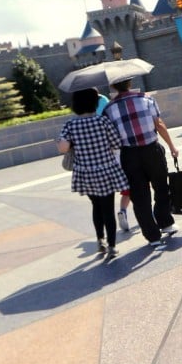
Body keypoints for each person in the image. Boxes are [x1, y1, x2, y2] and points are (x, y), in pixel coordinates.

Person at [103, 78, 180, 249]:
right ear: (130, 83)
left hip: (129, 155)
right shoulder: (146, 99)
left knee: (139, 196)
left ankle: (152, 235)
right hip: (152, 149)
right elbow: (159, 124)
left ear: (113, 87)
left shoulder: (108, 109)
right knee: (161, 187)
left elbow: (110, 138)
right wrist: (171, 146)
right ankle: (166, 222)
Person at [57, 88, 129, 259]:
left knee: (96, 206)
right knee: (108, 208)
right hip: (106, 170)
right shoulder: (102, 121)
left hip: (85, 173)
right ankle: (112, 246)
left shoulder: (70, 124)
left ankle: (100, 240)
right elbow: (116, 143)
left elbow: (63, 148)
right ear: (95, 103)